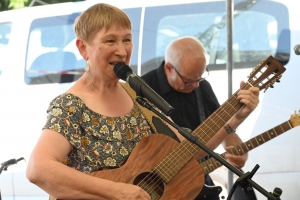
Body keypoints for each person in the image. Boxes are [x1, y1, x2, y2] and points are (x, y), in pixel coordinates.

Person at [26, 3, 259, 200]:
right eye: (110, 41)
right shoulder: (71, 105)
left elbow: (187, 151)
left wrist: (236, 118)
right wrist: (117, 190)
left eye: (127, 39)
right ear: (83, 47)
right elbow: (38, 168)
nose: (121, 50)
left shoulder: (135, 95)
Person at [142, 36, 258, 200]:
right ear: (168, 68)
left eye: (201, 77)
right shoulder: (144, 90)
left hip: (199, 183)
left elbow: (224, 131)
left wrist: (240, 152)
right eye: (189, 80)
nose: (197, 85)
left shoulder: (201, 87)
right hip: (159, 190)